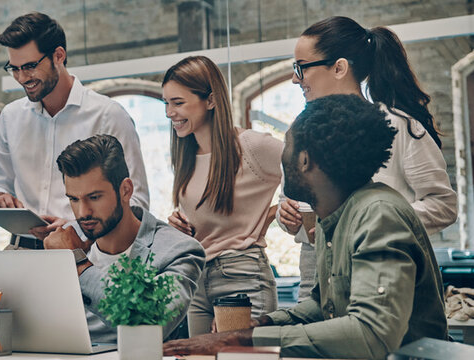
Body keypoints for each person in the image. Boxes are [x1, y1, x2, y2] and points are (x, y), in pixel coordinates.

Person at [163, 94, 448, 359]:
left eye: (286, 145)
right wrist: (259, 325)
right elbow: (322, 305)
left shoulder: (379, 216)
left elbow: (371, 333)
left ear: (304, 160)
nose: (281, 156)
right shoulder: (331, 218)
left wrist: (248, 340)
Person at [277, 16, 457, 301]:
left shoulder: (397, 126)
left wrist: (375, 226)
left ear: (339, 68)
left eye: (301, 67)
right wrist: (286, 215)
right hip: (316, 273)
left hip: (381, 267)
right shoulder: (301, 131)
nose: (294, 78)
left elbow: (444, 205)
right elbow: (292, 201)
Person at [0, 12, 150, 247]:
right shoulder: (10, 117)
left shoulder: (108, 115)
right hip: (21, 248)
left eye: (30, 66)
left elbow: (137, 202)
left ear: (59, 56)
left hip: (85, 250)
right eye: (14, 68)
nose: (22, 78)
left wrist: (79, 230)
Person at [43, 134, 204, 342]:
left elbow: (149, 324)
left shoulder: (179, 251)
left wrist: (80, 265)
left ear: (125, 190)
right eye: (74, 199)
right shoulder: (64, 242)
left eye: (94, 197)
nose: (83, 212)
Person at [162, 56, 282, 336]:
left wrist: (270, 216)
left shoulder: (250, 146)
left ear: (211, 100)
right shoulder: (186, 156)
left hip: (241, 277)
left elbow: (313, 171)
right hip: (197, 278)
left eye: (178, 103)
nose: (170, 112)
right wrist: (180, 227)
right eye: (166, 104)